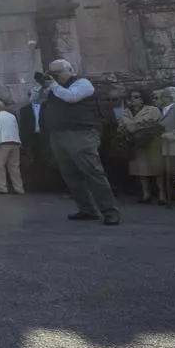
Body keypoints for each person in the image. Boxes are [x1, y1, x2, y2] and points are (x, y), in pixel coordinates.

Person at [41, 59, 120, 225]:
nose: (55, 76)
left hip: (81, 134)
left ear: (71, 70)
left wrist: (53, 85)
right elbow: (36, 100)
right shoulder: (53, 87)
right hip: (58, 134)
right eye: (52, 73)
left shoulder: (83, 84)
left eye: (58, 72)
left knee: (93, 172)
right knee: (71, 175)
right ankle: (87, 209)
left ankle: (110, 211)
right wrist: (41, 86)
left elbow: (71, 97)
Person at [121, 88, 166, 204]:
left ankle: (162, 195)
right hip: (135, 143)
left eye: (136, 97)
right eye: (131, 97)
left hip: (151, 142)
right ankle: (146, 195)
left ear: (142, 98)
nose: (133, 100)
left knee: (156, 168)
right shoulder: (126, 112)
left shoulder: (153, 110)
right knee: (140, 169)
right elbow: (122, 126)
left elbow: (158, 124)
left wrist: (138, 126)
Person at [0, 98, 24, 194]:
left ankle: (2, 188)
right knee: (14, 167)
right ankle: (19, 188)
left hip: (2, 143)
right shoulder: (12, 116)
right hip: (15, 142)